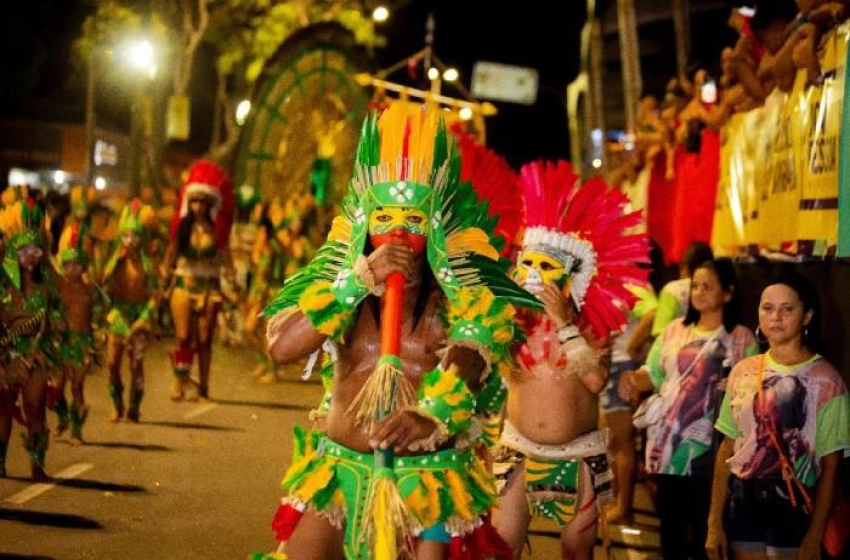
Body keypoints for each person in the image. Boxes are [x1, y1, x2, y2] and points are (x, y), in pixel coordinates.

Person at [258, 105, 538, 560]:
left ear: (437, 227)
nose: (399, 237)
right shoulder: (339, 281)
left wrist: (428, 414)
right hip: (338, 474)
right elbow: (280, 347)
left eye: (414, 223)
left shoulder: (458, 296)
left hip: (425, 480)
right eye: (385, 220)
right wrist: (357, 280)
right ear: (366, 224)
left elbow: (469, 357)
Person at [492, 160, 650, 560]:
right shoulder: (513, 319)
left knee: (576, 553)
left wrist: (563, 322)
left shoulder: (594, 323)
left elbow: (596, 381)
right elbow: (488, 363)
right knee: (500, 549)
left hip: (578, 455)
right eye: (527, 263)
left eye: (547, 267)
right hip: (518, 451)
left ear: (572, 276)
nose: (534, 275)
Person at [620, 259, 758, 560]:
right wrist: (632, 380)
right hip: (670, 448)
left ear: (728, 293)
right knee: (671, 529)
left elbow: (754, 394)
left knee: (706, 529)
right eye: (695, 285)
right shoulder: (673, 331)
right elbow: (653, 373)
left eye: (708, 286)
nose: (699, 292)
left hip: (716, 452)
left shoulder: (742, 338)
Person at [707, 270, 849, 560]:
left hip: (794, 509)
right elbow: (726, 449)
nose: (776, 317)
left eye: (787, 309)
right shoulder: (743, 371)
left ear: (807, 316)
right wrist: (713, 522)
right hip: (743, 503)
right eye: (767, 308)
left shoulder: (827, 381)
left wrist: (814, 535)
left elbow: (831, 467)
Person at [0, 194, 62, 480]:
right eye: (25, 249)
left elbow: (61, 319)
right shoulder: (3, 284)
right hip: (6, 354)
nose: (31, 256)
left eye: (37, 249)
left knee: (35, 408)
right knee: (2, 409)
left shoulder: (50, 284)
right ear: (15, 250)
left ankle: (38, 464)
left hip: (36, 354)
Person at [162, 160, 236, 402]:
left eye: (202, 202)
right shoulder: (181, 228)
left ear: (209, 204)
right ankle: (180, 381)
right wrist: (164, 272)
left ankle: (203, 388)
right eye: (194, 201)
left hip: (210, 287)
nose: (197, 207)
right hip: (183, 284)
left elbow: (226, 255)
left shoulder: (217, 231)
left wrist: (231, 276)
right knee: (183, 336)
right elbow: (171, 253)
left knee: (205, 340)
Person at [101, 200, 158, 422]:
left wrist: (144, 318)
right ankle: (117, 404)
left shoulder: (148, 264)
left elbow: (155, 296)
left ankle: (134, 407)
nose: (130, 241)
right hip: (118, 315)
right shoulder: (115, 261)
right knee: (112, 363)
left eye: (134, 236)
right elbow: (103, 288)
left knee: (136, 364)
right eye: (126, 236)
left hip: (140, 317)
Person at [52, 223, 106, 444]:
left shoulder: (91, 290)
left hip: (82, 344)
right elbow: (52, 310)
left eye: (76, 265)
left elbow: (101, 312)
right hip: (61, 343)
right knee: (57, 387)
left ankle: (76, 431)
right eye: (67, 265)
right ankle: (63, 419)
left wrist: (99, 332)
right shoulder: (58, 288)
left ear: (83, 267)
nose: (71, 269)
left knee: (76, 386)